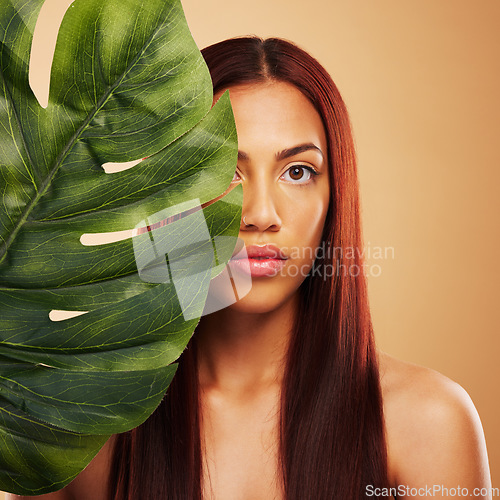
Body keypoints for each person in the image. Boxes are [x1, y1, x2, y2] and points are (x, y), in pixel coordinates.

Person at [8, 36, 491, 500]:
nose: (261, 214)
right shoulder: (80, 421)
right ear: (169, 193)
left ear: (335, 197)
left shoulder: (427, 422)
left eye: (297, 172)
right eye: (224, 171)